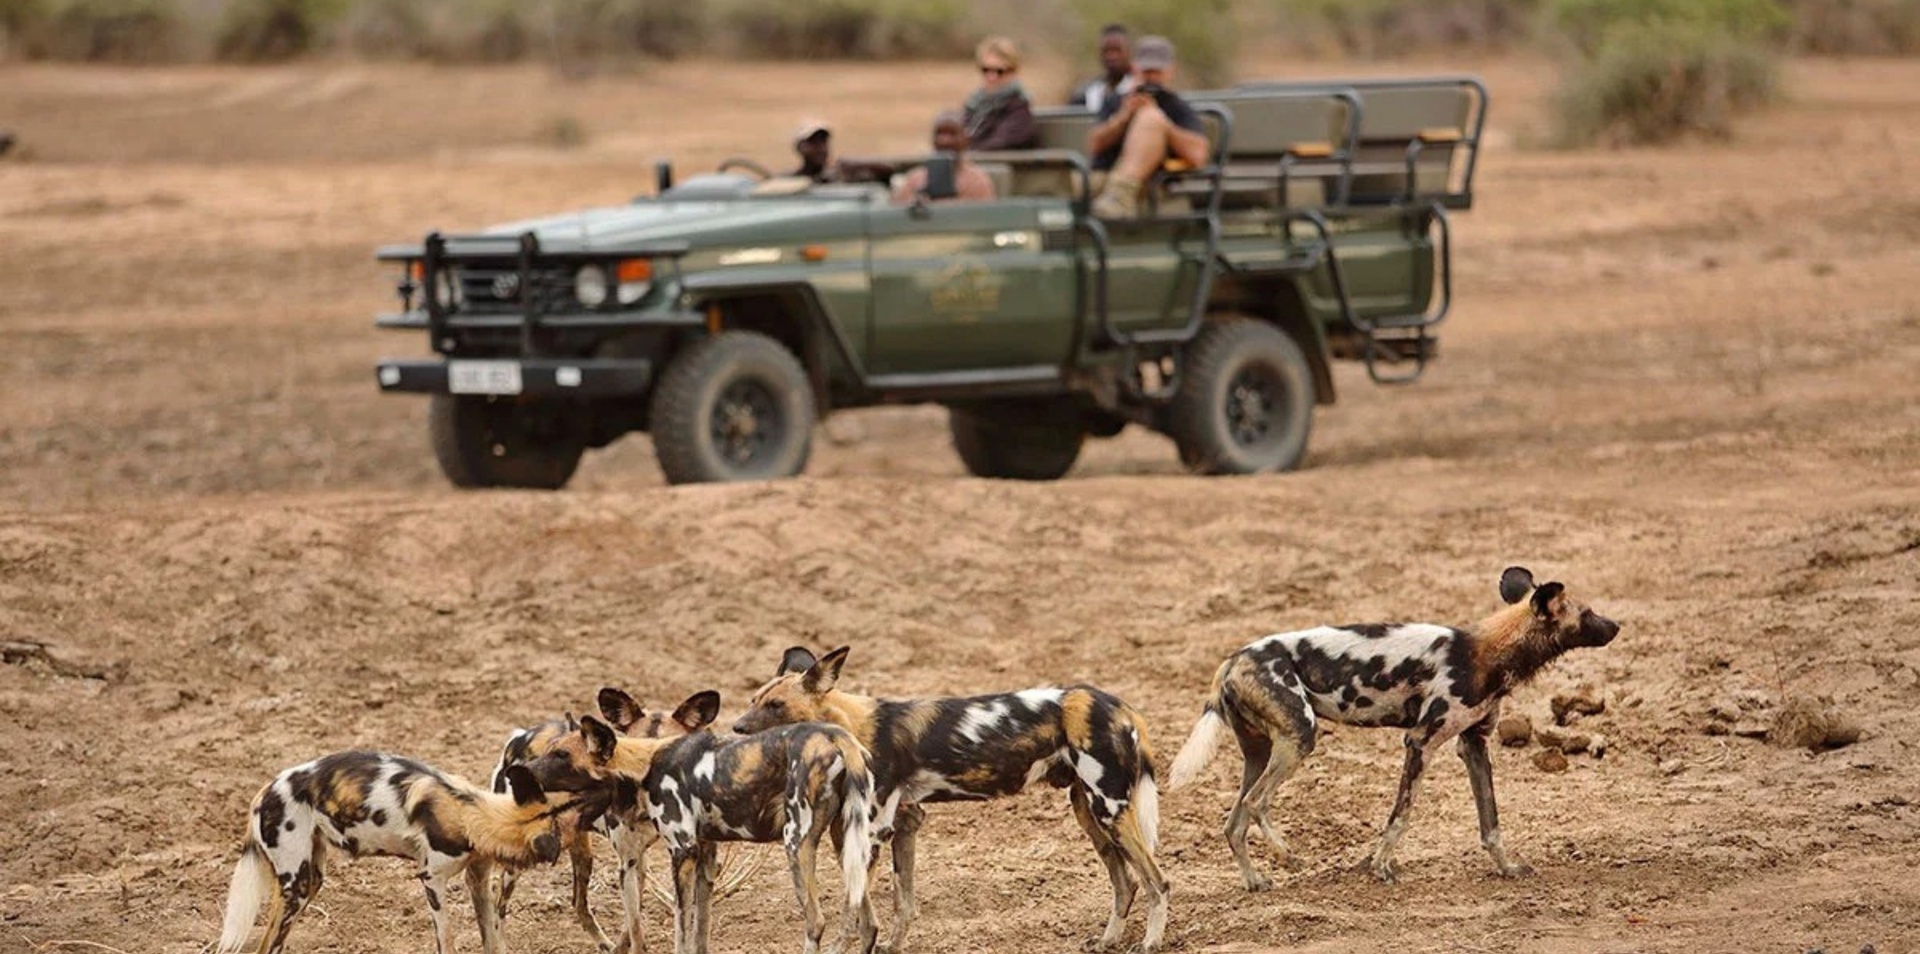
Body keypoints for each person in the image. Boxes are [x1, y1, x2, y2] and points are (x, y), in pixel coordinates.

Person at [1083, 35, 1210, 219]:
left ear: (1170, 71)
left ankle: (1120, 195)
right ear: (1134, 69)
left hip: (1149, 184)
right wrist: (1123, 117)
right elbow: (1094, 145)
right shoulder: (1116, 101)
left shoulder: (1176, 106)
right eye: (1146, 71)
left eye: (1156, 71)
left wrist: (1165, 127)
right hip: (1102, 177)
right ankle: (1114, 195)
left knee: (1151, 118)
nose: (1151, 77)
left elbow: (1198, 155)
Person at [892, 110, 997, 204]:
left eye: (952, 134)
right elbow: (898, 213)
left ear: (965, 140)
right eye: (940, 133)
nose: (945, 141)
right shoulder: (915, 180)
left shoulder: (977, 181)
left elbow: (985, 216)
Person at [962, 36, 1037, 151]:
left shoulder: (1018, 106)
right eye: (986, 70)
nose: (991, 77)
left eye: (999, 71)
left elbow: (1001, 144)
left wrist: (966, 154)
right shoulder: (975, 104)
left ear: (1013, 71)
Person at [1069, 24, 1136, 113]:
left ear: (1129, 52)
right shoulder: (1088, 92)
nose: (1112, 57)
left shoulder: (1136, 89)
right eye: (1106, 51)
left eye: (1117, 50)